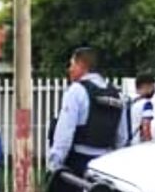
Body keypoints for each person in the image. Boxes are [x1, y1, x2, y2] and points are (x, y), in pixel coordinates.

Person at [48, 47, 128, 177]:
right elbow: (122, 137)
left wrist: (55, 163)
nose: (69, 69)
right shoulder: (118, 95)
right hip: (106, 165)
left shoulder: (76, 90)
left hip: (78, 163)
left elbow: (65, 131)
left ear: (82, 65)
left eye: (72, 64)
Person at [128, 73, 154, 145]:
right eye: (152, 86)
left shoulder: (129, 102)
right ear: (146, 86)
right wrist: (149, 145)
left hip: (126, 145)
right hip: (138, 145)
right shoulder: (147, 104)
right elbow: (146, 128)